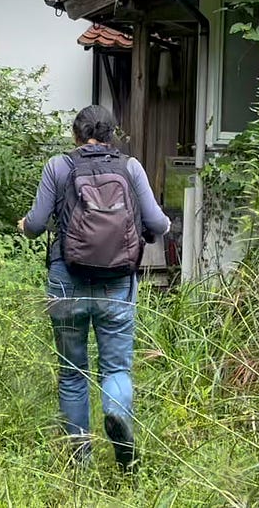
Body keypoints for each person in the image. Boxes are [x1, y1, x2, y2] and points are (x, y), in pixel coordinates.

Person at [17, 105, 170, 471]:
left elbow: (37, 224)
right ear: (112, 135)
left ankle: (79, 460)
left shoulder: (59, 166)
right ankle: (117, 416)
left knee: (72, 371)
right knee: (116, 369)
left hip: (66, 281)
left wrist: (23, 225)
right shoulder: (130, 168)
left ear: (75, 134)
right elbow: (157, 224)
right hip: (117, 282)